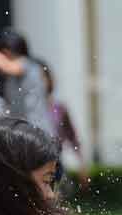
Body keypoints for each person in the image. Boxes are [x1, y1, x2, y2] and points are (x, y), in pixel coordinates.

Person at [0, 30, 53, 136]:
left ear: (6, 53)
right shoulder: (11, 79)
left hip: (38, 130)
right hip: (26, 131)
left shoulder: (27, 65)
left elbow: (7, 66)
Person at [41, 61, 90, 191]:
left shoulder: (59, 109)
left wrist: (82, 164)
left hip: (55, 164)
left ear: (50, 80)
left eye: (43, 77)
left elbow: (73, 137)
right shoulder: (23, 110)